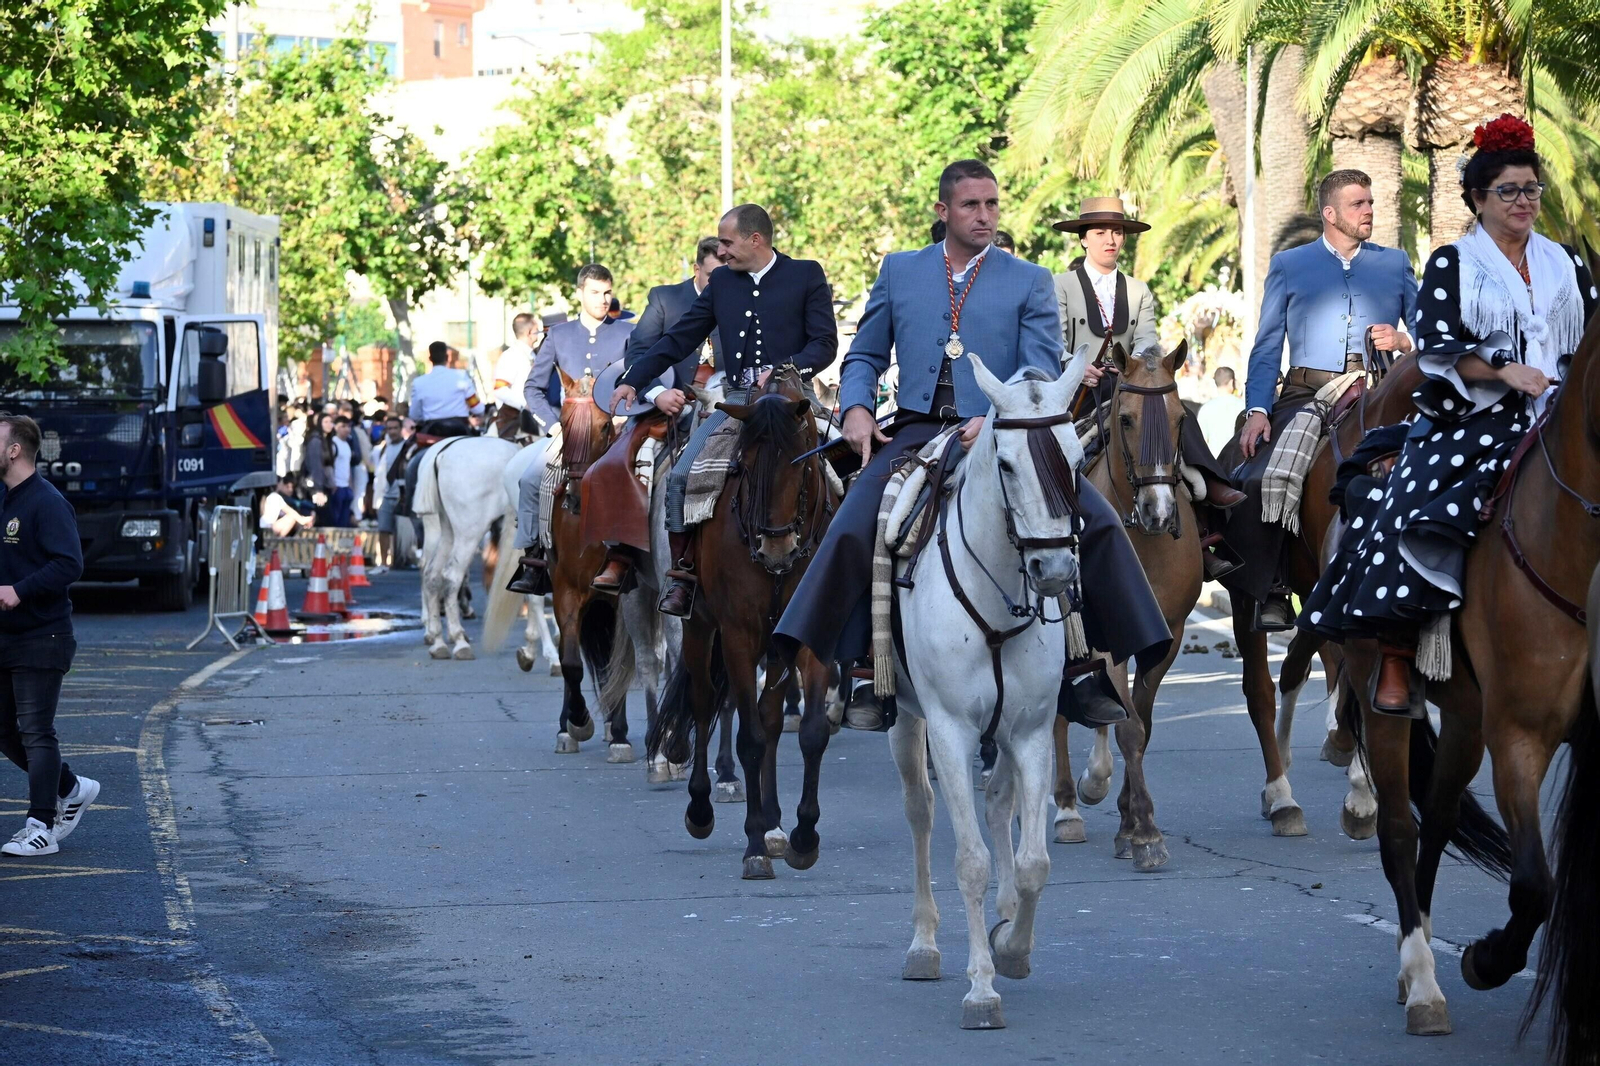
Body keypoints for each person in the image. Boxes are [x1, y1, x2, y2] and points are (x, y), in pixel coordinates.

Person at [772, 160, 1170, 729]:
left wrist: (996, 415)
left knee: (1096, 518)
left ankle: (1083, 665)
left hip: (1005, 429)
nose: (984, 216)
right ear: (943, 211)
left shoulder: (1029, 278)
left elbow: (1038, 367)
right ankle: (865, 670)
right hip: (915, 430)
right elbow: (864, 353)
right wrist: (856, 408)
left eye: (991, 205)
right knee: (856, 522)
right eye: (970, 206)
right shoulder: (900, 270)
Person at [1302, 116, 1596, 712]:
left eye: (1532, 189)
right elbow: (1437, 346)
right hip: (1477, 414)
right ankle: (1395, 649)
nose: (1523, 201)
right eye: (1508, 191)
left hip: (1559, 410)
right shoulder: (1452, 263)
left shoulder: (1568, 262)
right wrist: (1503, 370)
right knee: (1407, 496)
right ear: (1477, 199)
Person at [603, 204, 838, 616]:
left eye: (728, 242)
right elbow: (679, 338)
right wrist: (634, 378)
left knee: (850, 468)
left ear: (755, 239)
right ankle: (683, 575)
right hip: (738, 403)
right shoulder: (723, 282)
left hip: (795, 401)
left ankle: (845, 574)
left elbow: (825, 344)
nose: (722, 251)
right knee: (680, 475)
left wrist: (785, 368)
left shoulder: (806, 274)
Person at [1226, 169, 1419, 630]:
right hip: (1305, 393)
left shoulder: (1395, 263)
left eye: (1370, 202)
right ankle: (1273, 586)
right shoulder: (1289, 265)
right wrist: (1257, 410)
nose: (1368, 211)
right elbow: (1267, 345)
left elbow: (1430, 334)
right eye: (1358, 204)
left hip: (1377, 390)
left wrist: (1403, 340)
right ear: (1330, 214)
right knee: (1261, 474)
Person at [1051, 196, 1245, 518]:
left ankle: (1208, 491)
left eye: (1117, 232)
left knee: (1177, 411)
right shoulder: (1060, 285)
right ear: (1084, 239)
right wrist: (1076, 366)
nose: (1110, 240)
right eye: (1100, 232)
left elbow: (1146, 341)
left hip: (1130, 383)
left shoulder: (1139, 289)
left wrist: (1137, 368)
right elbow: (1052, 341)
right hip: (1080, 390)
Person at [574, 237, 726, 594]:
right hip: (669, 406)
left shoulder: (742, 297)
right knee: (624, 459)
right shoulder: (665, 298)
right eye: (712, 275)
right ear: (696, 270)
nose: (720, 283)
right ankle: (622, 554)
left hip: (727, 404)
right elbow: (639, 352)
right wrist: (658, 393)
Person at [504, 265, 637, 594]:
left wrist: (624, 417)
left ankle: (631, 557)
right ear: (580, 293)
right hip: (569, 432)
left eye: (607, 292)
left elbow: (641, 380)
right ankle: (535, 559)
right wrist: (553, 426)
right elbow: (533, 388)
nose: (603, 299)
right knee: (530, 480)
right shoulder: (559, 335)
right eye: (595, 292)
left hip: (615, 432)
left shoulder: (628, 333)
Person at [0, 414, 98, 858]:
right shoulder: (5, 499)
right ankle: (72, 787)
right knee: (5, 731)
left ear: (14, 449)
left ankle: (40, 828)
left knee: (37, 732)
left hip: (44, 636)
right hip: (7, 636)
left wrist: (19, 590)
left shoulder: (46, 502)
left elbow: (69, 563)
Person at [492, 313, 543, 438]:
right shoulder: (511, 356)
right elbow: (500, 390)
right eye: (537, 330)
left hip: (534, 419)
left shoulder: (533, 355)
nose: (539, 334)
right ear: (529, 332)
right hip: (516, 422)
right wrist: (525, 404)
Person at [1198, 366, 1244, 456]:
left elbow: (1201, 441)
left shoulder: (1205, 409)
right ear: (1231, 382)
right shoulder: (1243, 406)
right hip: (1236, 459)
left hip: (1214, 460)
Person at [302, 411, 335, 522]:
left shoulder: (326, 440)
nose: (329, 424)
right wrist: (318, 489)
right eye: (325, 422)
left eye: (330, 422)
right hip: (316, 484)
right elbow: (316, 466)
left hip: (325, 483)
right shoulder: (316, 441)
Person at [261, 473, 314, 537]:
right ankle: (279, 540)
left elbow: (284, 515)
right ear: (278, 484)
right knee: (291, 517)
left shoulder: (269, 497)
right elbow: (291, 512)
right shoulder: (275, 497)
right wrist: (306, 519)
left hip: (266, 527)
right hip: (267, 528)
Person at [328, 416, 355, 528]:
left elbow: (347, 465)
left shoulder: (347, 444)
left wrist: (350, 484)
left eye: (348, 426)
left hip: (346, 486)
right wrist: (332, 483)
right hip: (337, 486)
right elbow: (329, 465)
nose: (346, 429)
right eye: (343, 426)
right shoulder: (333, 443)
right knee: (335, 519)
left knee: (344, 520)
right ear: (336, 428)